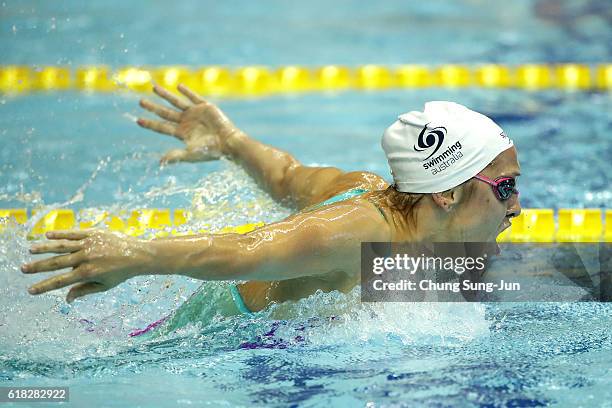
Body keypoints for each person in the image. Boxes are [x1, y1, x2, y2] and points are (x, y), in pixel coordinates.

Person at [20, 84, 522, 316]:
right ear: (448, 192)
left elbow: (287, 176)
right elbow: (245, 250)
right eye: (506, 188)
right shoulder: (361, 232)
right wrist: (137, 255)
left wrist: (232, 143)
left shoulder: (372, 187)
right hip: (223, 335)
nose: (518, 207)